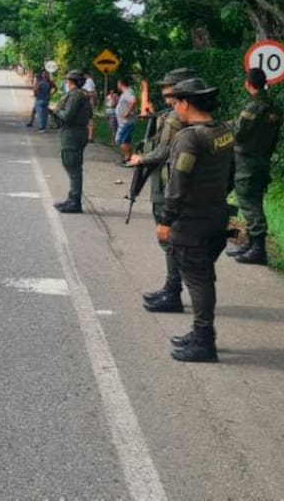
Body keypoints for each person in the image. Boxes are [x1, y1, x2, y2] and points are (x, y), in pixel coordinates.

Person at [157, 77, 235, 363]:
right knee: (203, 277)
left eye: (176, 102)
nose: (175, 108)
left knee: (199, 281)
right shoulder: (223, 130)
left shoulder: (190, 137)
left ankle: (204, 341)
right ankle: (199, 333)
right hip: (216, 216)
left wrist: (167, 218)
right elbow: (230, 174)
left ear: (187, 103)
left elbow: (178, 180)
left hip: (191, 222)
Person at [126, 67, 197, 312]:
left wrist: (142, 159)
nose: (164, 90)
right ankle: (171, 288)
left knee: (169, 238)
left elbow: (164, 150)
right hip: (170, 180)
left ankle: (173, 290)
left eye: (168, 87)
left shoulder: (177, 117)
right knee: (171, 240)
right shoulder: (176, 114)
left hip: (168, 182)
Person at [229, 67, 284, 265]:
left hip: (247, 160)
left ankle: (258, 249)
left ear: (248, 84)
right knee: (253, 200)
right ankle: (251, 244)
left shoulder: (253, 107)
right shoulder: (274, 107)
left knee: (249, 203)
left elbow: (239, 132)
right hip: (262, 159)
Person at [50, 70, 92, 213]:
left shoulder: (75, 95)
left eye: (67, 81)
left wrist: (55, 111)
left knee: (73, 168)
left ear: (71, 82)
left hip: (72, 134)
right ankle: (72, 198)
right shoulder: (84, 95)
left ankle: (75, 201)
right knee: (73, 166)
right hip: (77, 133)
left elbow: (67, 116)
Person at [115, 77, 139, 165]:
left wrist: (128, 112)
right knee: (126, 141)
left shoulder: (128, 92)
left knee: (120, 140)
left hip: (126, 122)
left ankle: (128, 158)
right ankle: (128, 159)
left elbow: (133, 101)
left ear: (120, 83)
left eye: (118, 84)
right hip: (125, 122)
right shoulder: (126, 93)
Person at [82, 72, 99, 141]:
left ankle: (90, 137)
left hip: (88, 102)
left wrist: (84, 94)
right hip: (89, 102)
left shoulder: (88, 81)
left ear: (86, 75)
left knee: (89, 119)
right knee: (89, 119)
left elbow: (91, 93)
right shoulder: (90, 81)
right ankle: (89, 136)